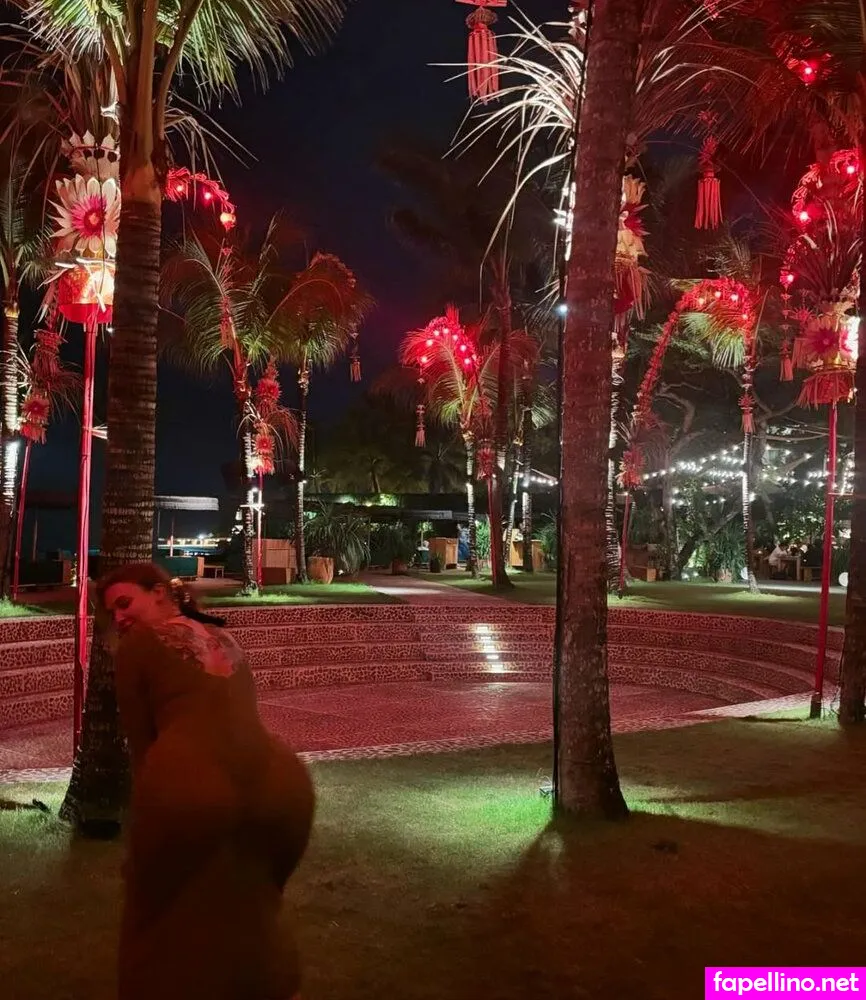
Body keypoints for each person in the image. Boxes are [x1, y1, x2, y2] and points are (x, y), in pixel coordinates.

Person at [99, 562, 315, 1000]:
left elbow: (143, 746)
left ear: (159, 592)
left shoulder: (137, 646)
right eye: (111, 613)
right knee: (255, 902)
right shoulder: (223, 635)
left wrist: (144, 821)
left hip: (188, 778)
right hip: (280, 777)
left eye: (124, 603)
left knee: (152, 922)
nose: (118, 618)